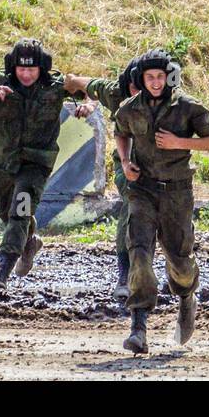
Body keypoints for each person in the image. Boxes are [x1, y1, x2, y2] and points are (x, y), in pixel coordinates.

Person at [112, 49, 209, 354]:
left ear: (168, 77)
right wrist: (124, 162)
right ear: (142, 79)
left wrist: (180, 143)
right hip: (143, 191)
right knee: (140, 255)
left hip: (176, 192)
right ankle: (138, 327)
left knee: (179, 260)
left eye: (161, 76)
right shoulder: (131, 108)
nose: (156, 82)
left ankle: (187, 296)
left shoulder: (186, 107)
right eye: (150, 77)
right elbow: (120, 132)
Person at [0, 38, 84, 292]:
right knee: (6, 211)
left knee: (20, 211)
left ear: (42, 68)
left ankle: (1, 275)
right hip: (4, 160)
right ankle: (29, 242)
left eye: (32, 69)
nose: (26, 74)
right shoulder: (1, 80)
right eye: (21, 69)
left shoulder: (56, 84)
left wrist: (87, 104)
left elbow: (89, 90)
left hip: (37, 163)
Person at [66, 55, 143, 302]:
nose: (137, 92)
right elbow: (77, 82)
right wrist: (87, 102)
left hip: (164, 166)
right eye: (133, 87)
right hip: (128, 162)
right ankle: (124, 275)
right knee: (131, 206)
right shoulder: (115, 92)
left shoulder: (170, 100)